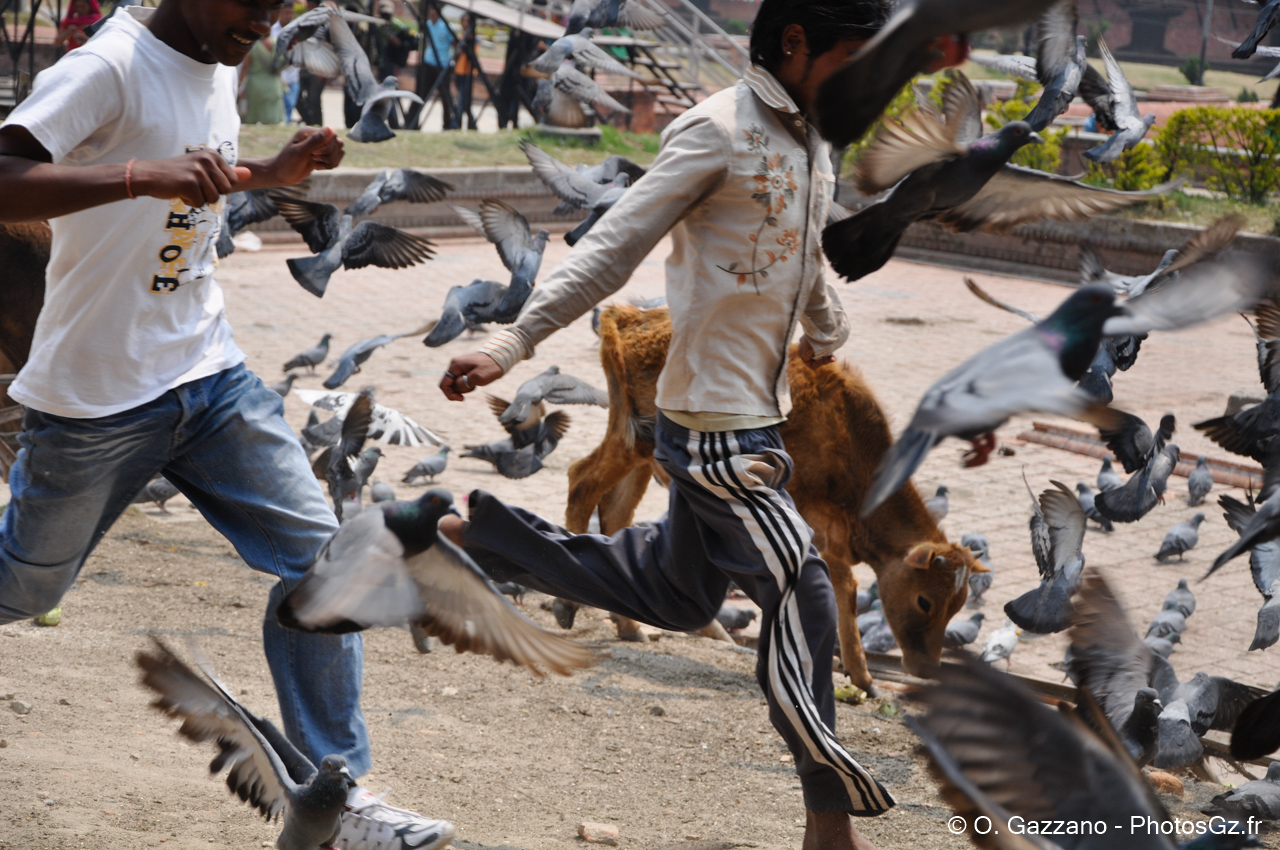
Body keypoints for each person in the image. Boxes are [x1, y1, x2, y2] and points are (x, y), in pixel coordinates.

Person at [436, 1, 966, 847]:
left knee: (675, 597)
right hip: (714, 430)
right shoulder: (715, 130)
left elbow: (802, 248)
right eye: (856, 61)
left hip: (763, 423)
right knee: (801, 586)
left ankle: (467, 534)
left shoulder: (812, 137)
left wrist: (827, 323)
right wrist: (510, 341)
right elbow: (615, 245)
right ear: (795, 43)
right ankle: (830, 825)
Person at [0, 2, 453, 848]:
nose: (267, 21)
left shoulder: (222, 56)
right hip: (97, 401)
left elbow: (188, 194)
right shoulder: (109, 66)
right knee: (24, 590)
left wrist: (264, 173)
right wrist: (141, 175)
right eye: (253, 4)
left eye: (279, 5)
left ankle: (336, 795)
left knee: (327, 562)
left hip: (210, 377)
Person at [405, 1, 453, 128]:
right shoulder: (427, 25)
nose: (432, 13)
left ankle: (448, 124)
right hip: (428, 63)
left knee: (446, 98)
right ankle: (411, 122)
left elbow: (455, 43)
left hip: (442, 65)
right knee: (420, 94)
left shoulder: (446, 27)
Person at [294, 0, 327, 125]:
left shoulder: (324, 23)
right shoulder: (303, 21)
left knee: (314, 99)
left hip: (317, 67)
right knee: (298, 97)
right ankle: (308, 121)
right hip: (303, 66)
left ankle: (317, 125)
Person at [240, 32, 285, 124]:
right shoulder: (276, 44)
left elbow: (245, 66)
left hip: (256, 86)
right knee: (273, 120)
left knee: (254, 118)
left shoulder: (253, 46)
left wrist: (239, 84)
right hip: (274, 85)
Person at [272, 5, 301, 122]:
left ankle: (285, 124)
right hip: (277, 76)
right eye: (286, 12)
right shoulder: (272, 30)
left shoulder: (297, 30)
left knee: (290, 104)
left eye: (291, 13)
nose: (288, 16)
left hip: (292, 77)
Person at [451, 12, 476, 130]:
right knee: (461, 100)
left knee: (463, 100)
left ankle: (457, 124)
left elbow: (473, 55)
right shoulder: (460, 37)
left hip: (468, 73)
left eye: (467, 21)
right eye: (463, 21)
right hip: (458, 71)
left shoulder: (474, 38)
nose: (465, 24)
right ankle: (470, 124)